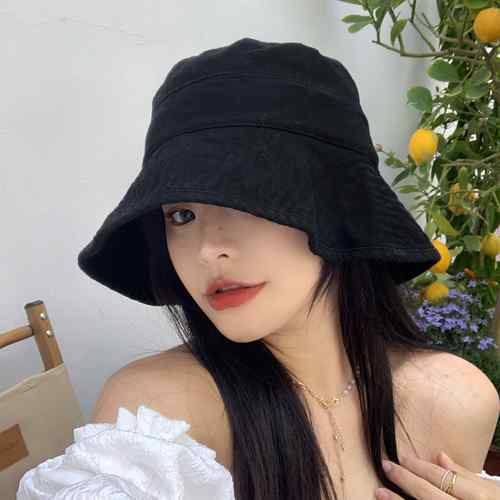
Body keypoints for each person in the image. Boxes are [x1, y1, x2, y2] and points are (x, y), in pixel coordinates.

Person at [17, 37, 500, 500]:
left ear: (338, 206)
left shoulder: (454, 398)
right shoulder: (159, 418)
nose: (207, 251)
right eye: (180, 216)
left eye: (246, 201)